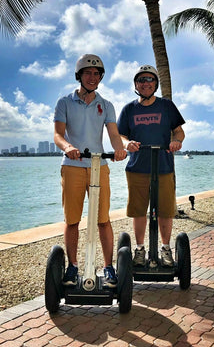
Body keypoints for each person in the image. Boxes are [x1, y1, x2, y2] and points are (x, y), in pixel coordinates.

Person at [53, 54, 127, 288]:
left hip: (98, 167)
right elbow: (58, 134)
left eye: (96, 74)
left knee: (103, 220)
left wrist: (119, 150)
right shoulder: (64, 102)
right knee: (72, 220)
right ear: (79, 76)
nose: (92, 77)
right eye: (88, 73)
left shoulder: (105, 105)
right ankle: (72, 266)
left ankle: (108, 267)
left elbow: (114, 135)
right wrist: (68, 147)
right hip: (73, 166)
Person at [116, 65, 185, 267]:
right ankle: (139, 249)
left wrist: (176, 142)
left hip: (163, 167)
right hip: (137, 167)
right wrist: (126, 143)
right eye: (141, 80)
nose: (145, 83)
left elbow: (179, 131)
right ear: (136, 84)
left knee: (165, 210)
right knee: (138, 211)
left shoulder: (166, 106)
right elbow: (120, 135)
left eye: (149, 79)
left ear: (155, 83)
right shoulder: (129, 109)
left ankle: (165, 248)